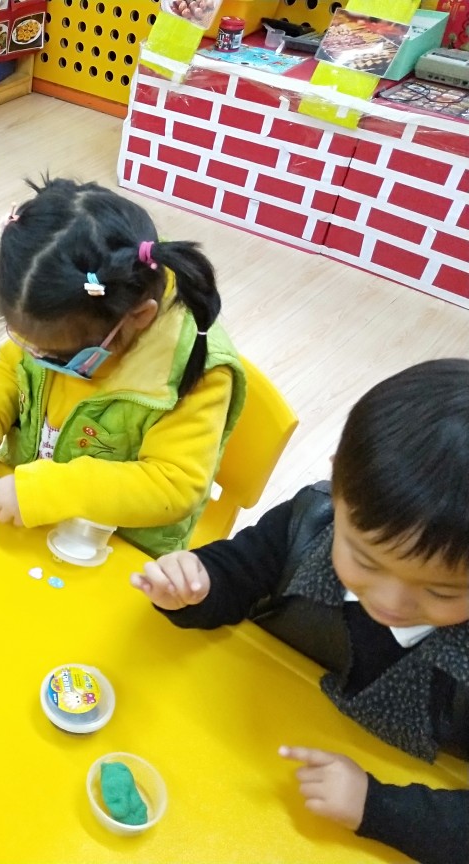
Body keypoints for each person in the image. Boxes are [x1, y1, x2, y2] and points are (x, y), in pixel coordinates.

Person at [131, 359, 469, 864]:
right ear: (338, 488)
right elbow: (240, 571)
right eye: (365, 561)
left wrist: (378, 807)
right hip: (223, 755)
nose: (391, 602)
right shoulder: (310, 523)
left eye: (441, 592)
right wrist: (195, 584)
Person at [0, 178, 244, 557]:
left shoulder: (196, 374)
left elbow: (174, 486)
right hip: (30, 514)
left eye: (54, 356)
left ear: (138, 317)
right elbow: (13, 366)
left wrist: (48, 492)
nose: (34, 356)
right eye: (25, 342)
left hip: (115, 548)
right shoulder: (66, 313)